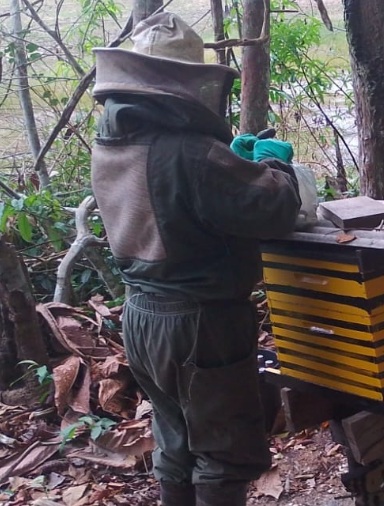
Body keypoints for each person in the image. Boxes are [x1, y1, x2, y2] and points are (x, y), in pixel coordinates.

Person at [90, 12, 301, 506]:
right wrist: (274, 165)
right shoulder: (190, 153)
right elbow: (273, 207)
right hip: (199, 322)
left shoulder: (111, 144)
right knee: (223, 454)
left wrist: (236, 161)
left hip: (140, 318)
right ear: (185, 83)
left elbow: (184, 205)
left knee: (177, 440)